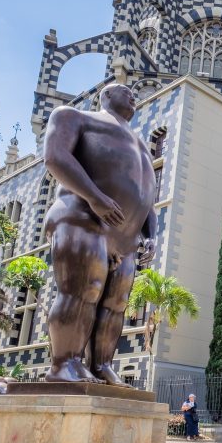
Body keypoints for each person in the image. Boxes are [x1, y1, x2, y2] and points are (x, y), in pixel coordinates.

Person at [42, 83, 158, 385]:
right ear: (104, 96)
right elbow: (55, 157)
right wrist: (94, 197)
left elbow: (147, 197)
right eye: (125, 89)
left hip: (126, 238)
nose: (133, 94)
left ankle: (102, 365)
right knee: (83, 290)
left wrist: (151, 235)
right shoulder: (74, 116)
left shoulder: (141, 144)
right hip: (82, 218)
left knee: (116, 303)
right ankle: (64, 363)